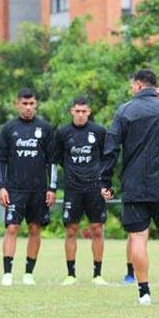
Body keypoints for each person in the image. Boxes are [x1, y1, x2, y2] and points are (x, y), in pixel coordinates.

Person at [101, 69, 159, 306]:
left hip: (134, 185)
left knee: (138, 236)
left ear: (138, 85)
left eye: (131, 85)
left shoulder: (125, 110)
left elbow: (110, 149)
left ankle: (144, 292)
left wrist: (105, 181)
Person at [0, 88, 55, 286]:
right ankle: (7, 273)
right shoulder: (8, 129)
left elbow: (52, 162)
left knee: (34, 229)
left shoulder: (45, 128)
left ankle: (29, 273)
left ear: (36, 104)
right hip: (15, 189)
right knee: (12, 228)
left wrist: (52, 188)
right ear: (17, 104)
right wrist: (2, 187)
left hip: (38, 190)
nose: (28, 108)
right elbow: (1, 161)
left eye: (31, 104)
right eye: (24, 104)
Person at [52, 97, 109, 286]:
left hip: (94, 188)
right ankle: (70, 274)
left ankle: (98, 274)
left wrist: (105, 184)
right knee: (71, 230)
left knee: (97, 229)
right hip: (73, 189)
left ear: (89, 111)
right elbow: (58, 159)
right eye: (77, 111)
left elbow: (106, 158)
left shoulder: (99, 132)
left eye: (84, 111)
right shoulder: (63, 133)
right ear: (71, 112)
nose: (80, 115)